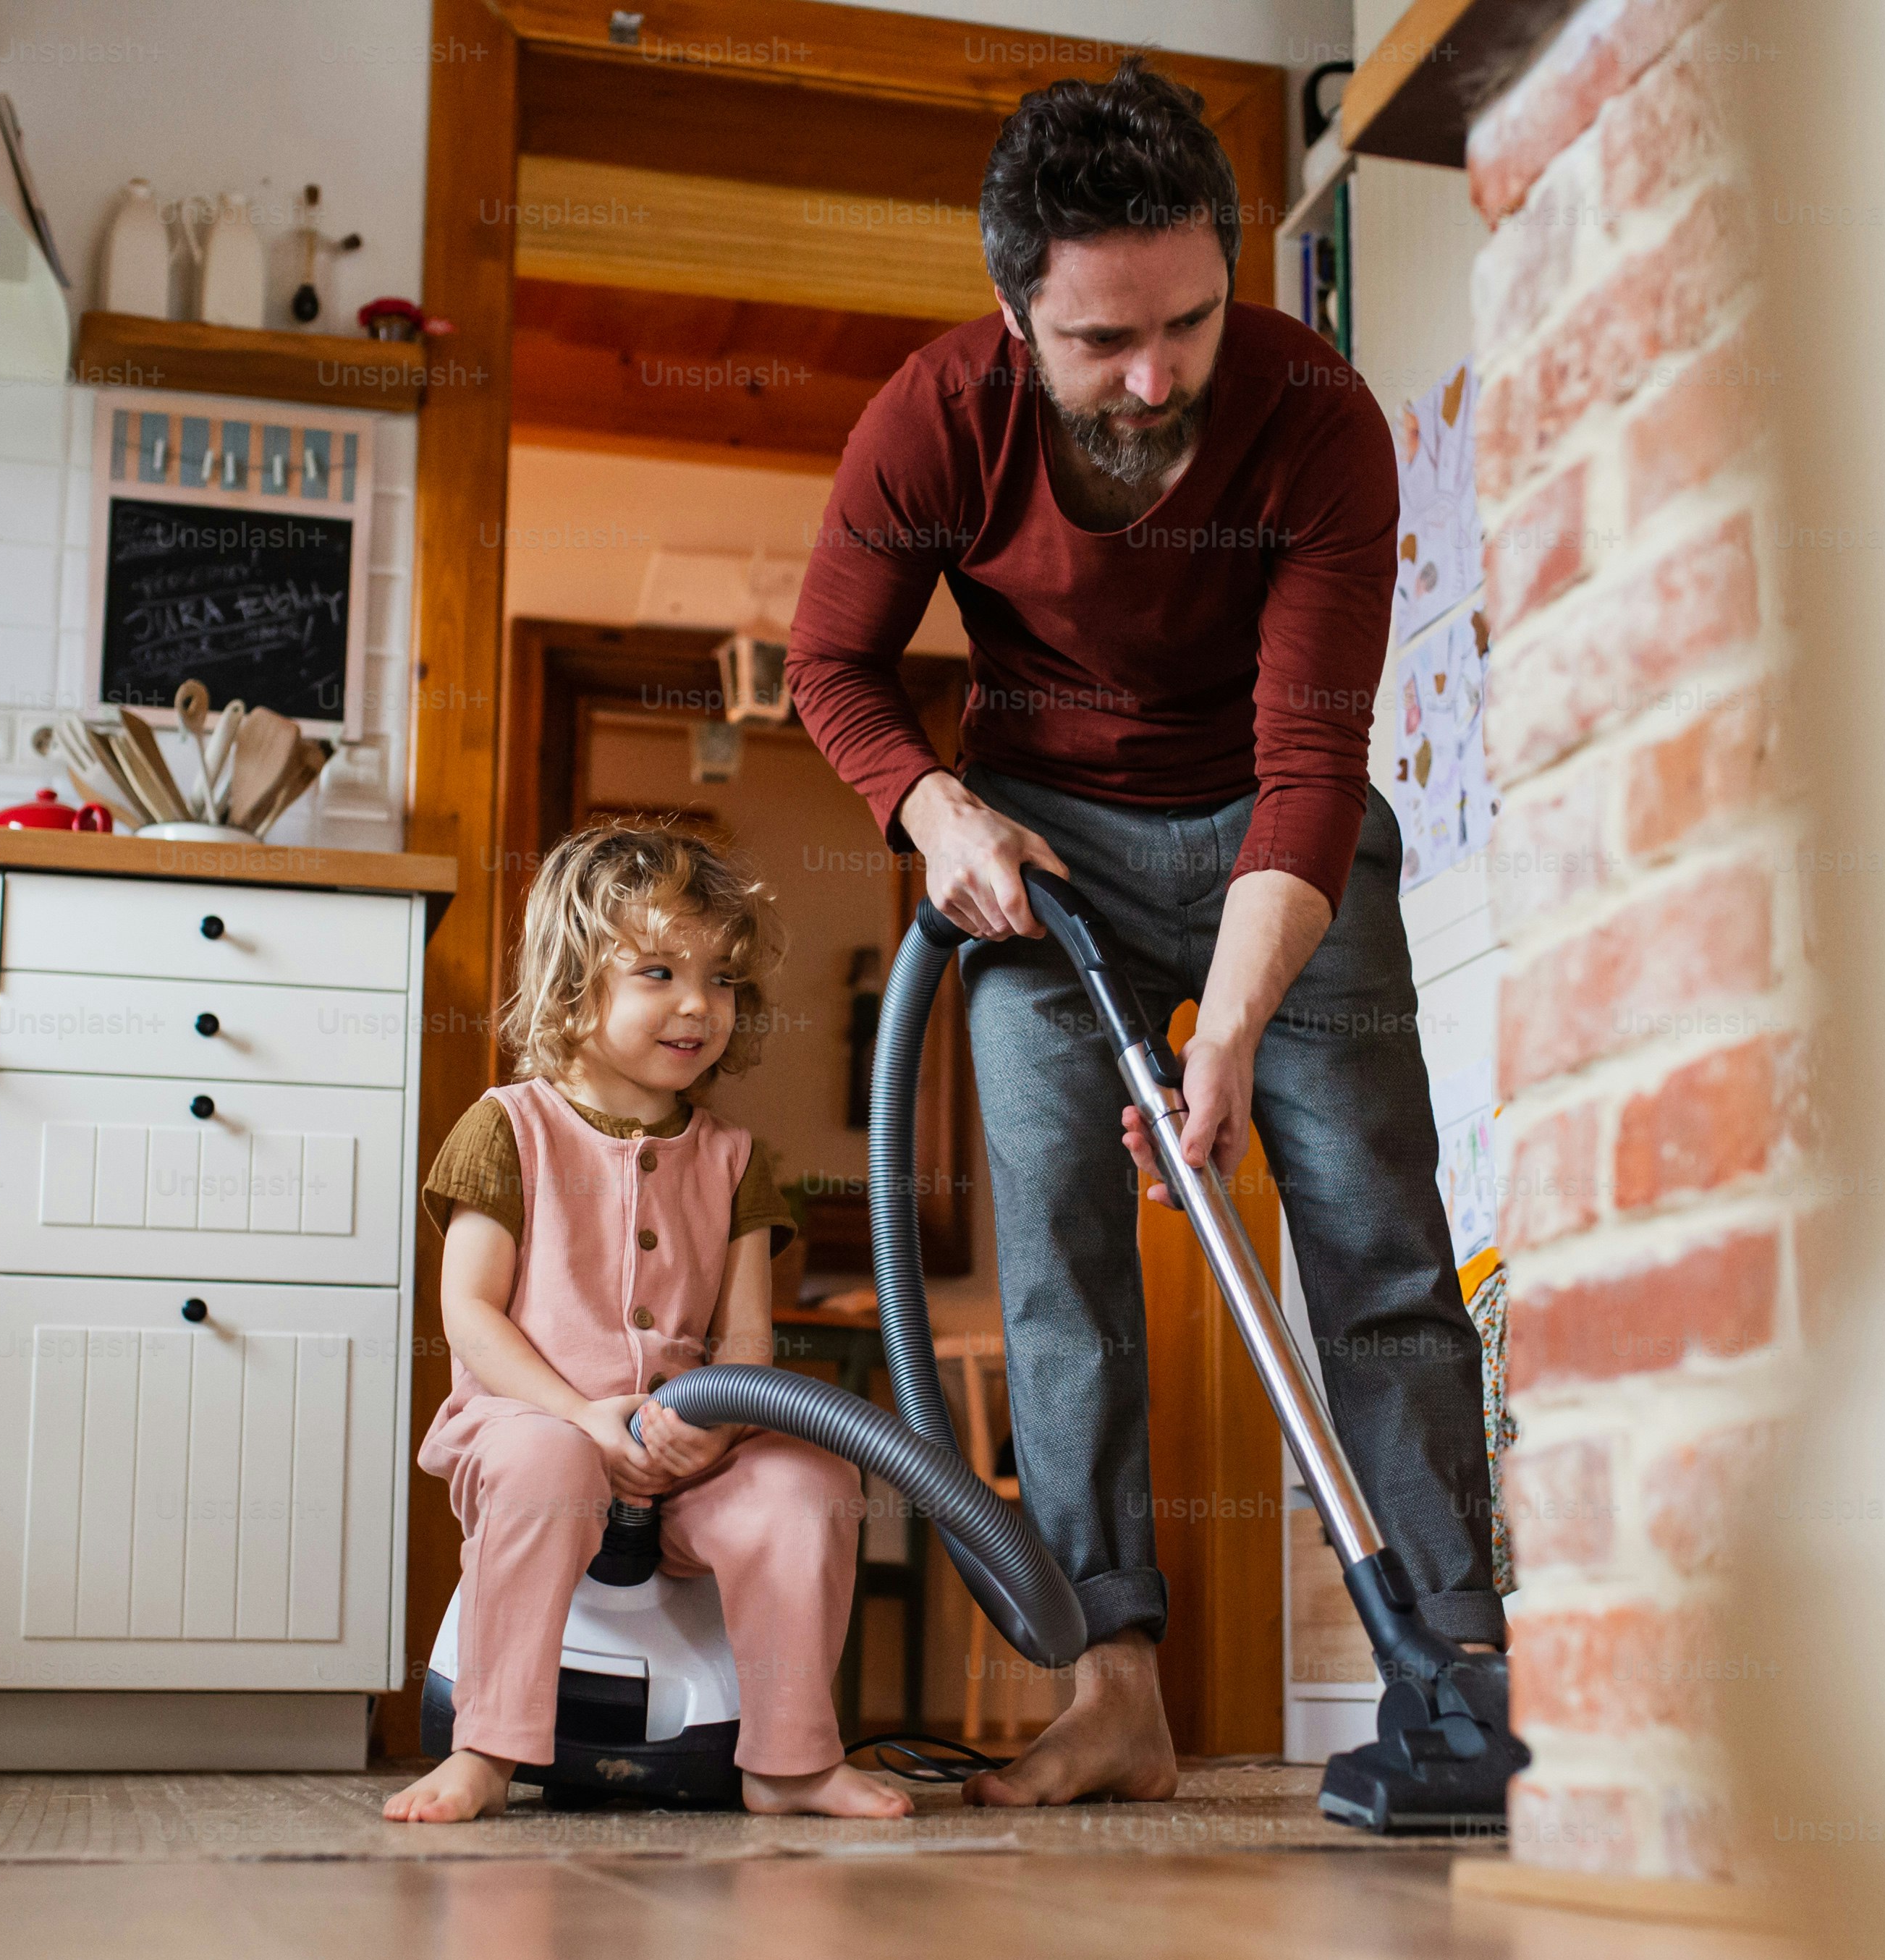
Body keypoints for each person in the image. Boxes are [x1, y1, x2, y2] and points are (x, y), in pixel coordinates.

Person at [787, 58, 1499, 1809]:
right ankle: (1115, 1687)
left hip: (1280, 838)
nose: (1154, 376)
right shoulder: (936, 418)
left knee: (1376, 1235)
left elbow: (1310, 755)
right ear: (1013, 307)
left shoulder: (1316, 415)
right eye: (1103, 341)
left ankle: (1463, 1666)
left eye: (1186, 322)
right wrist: (933, 810)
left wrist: (1229, 1038)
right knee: (1063, 1263)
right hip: (1047, 849)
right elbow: (833, 666)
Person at [385, 825, 907, 1825]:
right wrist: (582, 1416)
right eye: (660, 971)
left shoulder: (734, 1157)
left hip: (692, 1448)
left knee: (815, 1478)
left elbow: (748, 1345)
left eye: (721, 979)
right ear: (574, 984)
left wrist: (712, 1427)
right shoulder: (509, 1127)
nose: (699, 1004)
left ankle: (790, 1758)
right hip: (536, 1425)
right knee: (548, 1467)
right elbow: (469, 1313)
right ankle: (487, 1751)